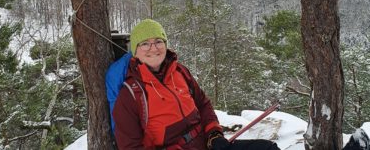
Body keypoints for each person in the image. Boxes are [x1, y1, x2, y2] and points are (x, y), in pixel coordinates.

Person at [113, 19, 280, 150]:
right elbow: (130, 146)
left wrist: (214, 134)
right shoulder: (131, 95)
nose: (153, 48)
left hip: (205, 143)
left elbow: (202, 104)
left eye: (158, 41)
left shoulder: (179, 72)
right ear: (135, 51)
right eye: (145, 43)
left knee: (268, 148)